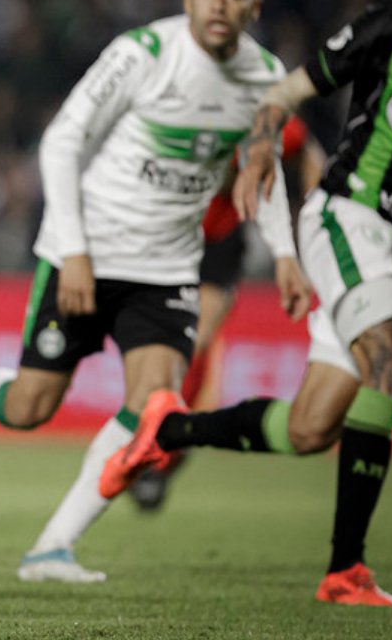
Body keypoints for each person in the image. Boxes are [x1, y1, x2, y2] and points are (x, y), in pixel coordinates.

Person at [0, 0, 311, 583]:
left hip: (168, 268)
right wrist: (75, 252)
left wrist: (284, 253)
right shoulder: (143, 54)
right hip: (88, 250)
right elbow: (62, 139)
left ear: (254, 7)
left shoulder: (265, 78)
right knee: (30, 407)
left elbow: (265, 167)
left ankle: (50, 550)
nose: (218, 6)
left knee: (153, 407)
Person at [101, 0, 392, 607]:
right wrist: (259, 150)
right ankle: (346, 571)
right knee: (391, 366)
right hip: (352, 218)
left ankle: (167, 429)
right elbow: (284, 92)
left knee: (309, 428)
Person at [128, 116, 324, 510]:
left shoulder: (254, 118)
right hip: (163, 239)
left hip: (218, 244)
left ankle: (162, 454)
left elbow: (308, 152)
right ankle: (164, 440)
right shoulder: (163, 116)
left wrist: (315, 220)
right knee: (160, 353)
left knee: (193, 342)